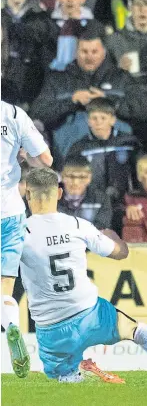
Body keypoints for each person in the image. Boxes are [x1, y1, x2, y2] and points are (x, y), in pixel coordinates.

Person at [20, 167, 147, 383]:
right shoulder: (77, 225)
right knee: (136, 331)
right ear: (59, 193)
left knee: (66, 382)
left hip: (50, 327)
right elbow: (120, 253)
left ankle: (76, 373)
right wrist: (113, 236)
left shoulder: (18, 232)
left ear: (28, 193)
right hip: (90, 314)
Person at [30, 31, 147, 159]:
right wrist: (72, 101)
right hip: (69, 159)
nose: (89, 57)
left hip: (117, 156)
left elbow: (143, 110)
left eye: (94, 52)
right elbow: (37, 113)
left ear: (104, 52)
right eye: (84, 52)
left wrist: (108, 101)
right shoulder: (58, 80)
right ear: (76, 52)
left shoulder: (122, 78)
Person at [1, 101, 53, 378]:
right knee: (5, 286)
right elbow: (46, 161)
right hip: (10, 212)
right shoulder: (13, 114)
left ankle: (8, 325)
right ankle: (11, 326)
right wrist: (22, 157)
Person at [66, 98, 139, 203]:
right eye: (94, 118)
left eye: (103, 118)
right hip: (93, 202)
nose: (98, 123)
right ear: (88, 120)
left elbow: (139, 174)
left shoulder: (129, 143)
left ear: (113, 120)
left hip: (126, 203)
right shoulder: (79, 148)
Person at [59, 156, 113, 229]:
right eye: (70, 176)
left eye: (82, 177)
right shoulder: (50, 199)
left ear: (89, 178)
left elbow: (102, 229)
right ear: (62, 176)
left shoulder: (101, 200)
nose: (75, 182)